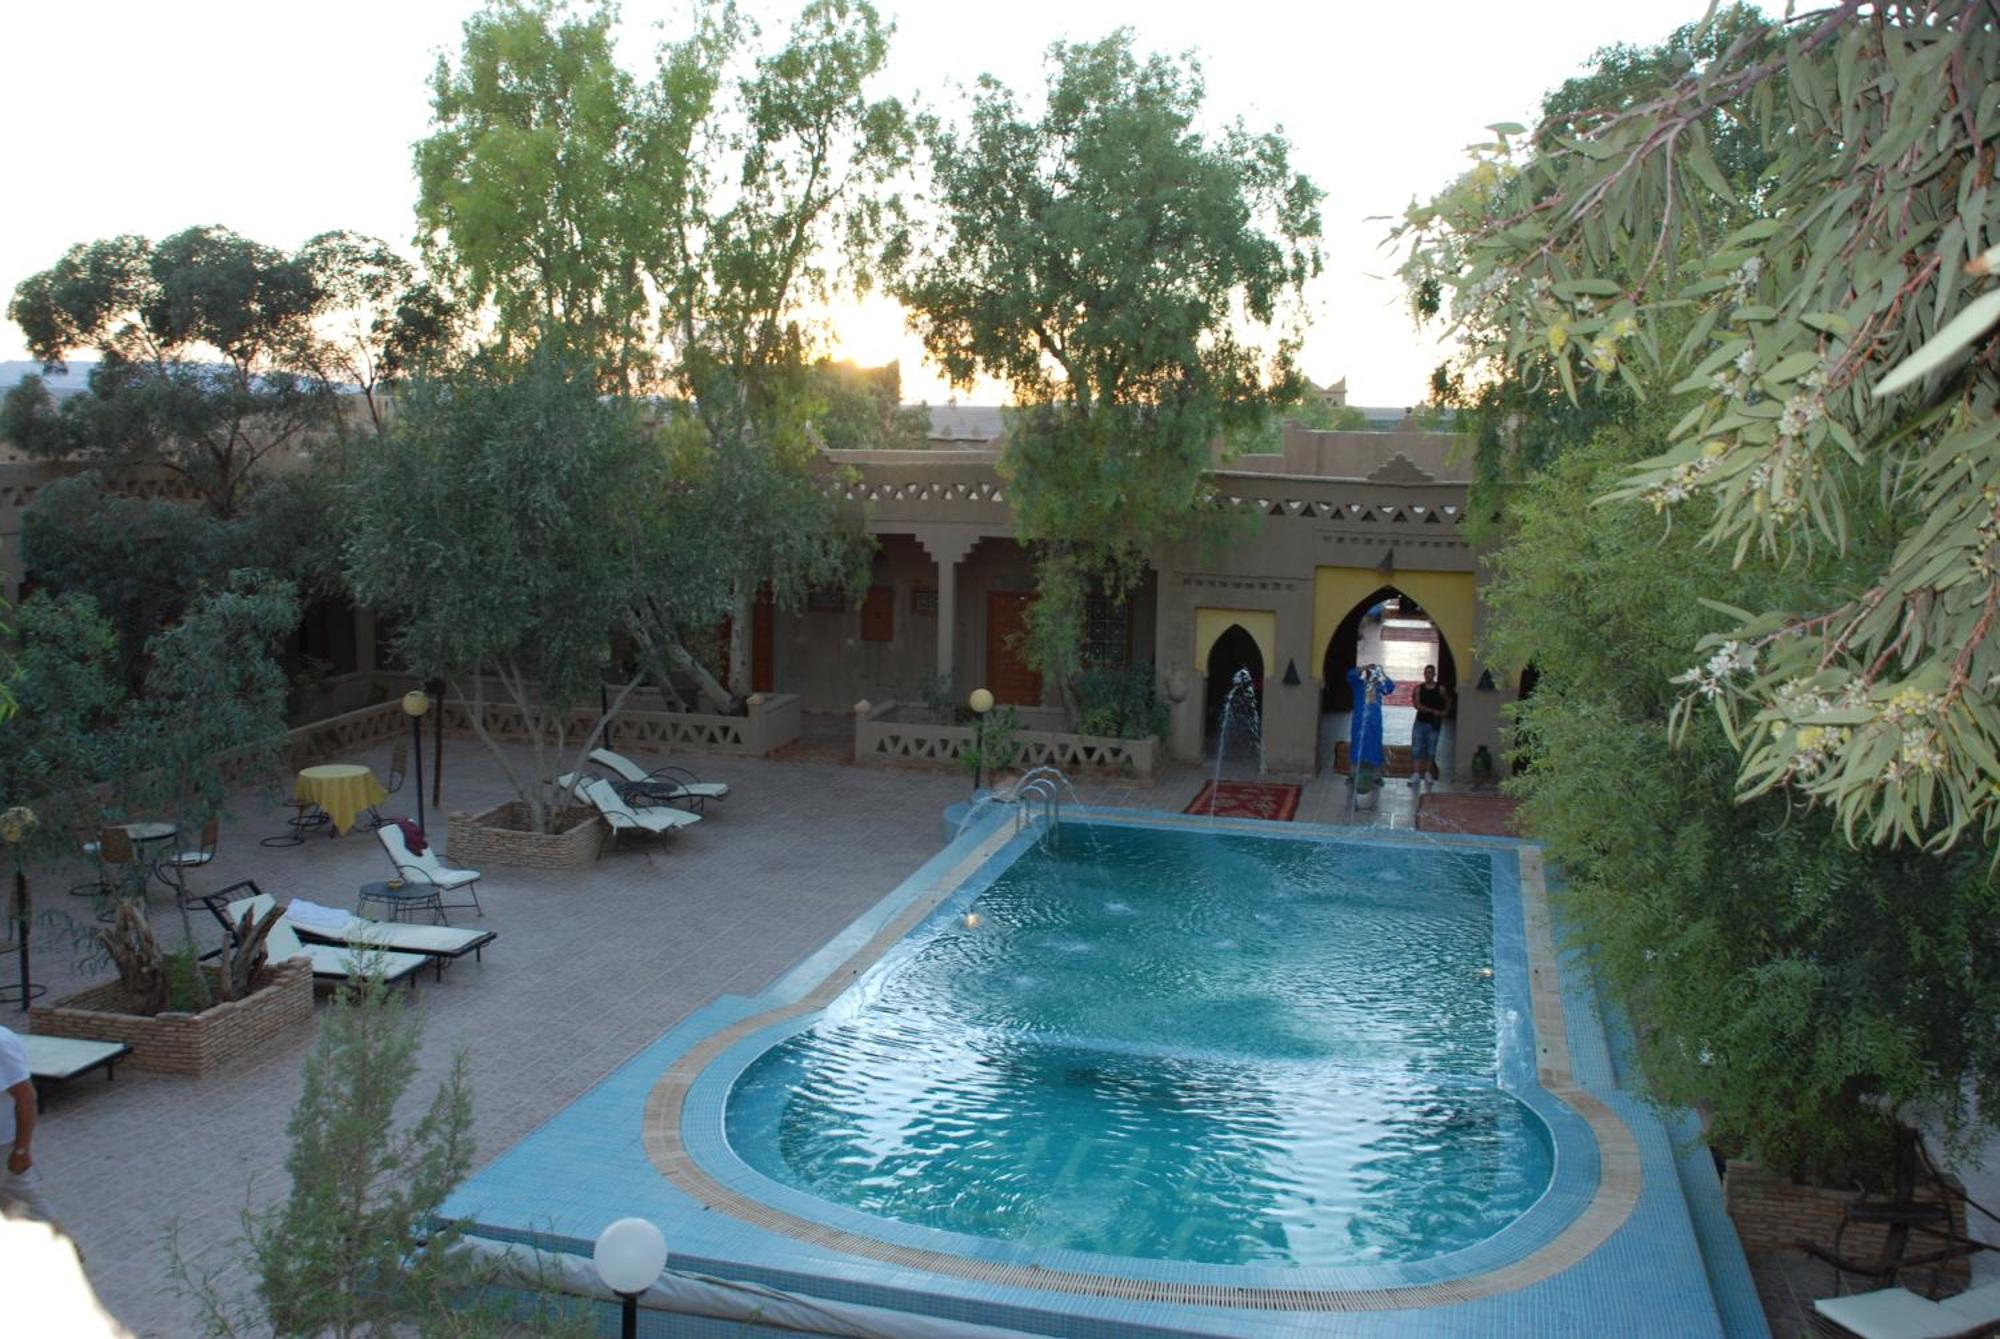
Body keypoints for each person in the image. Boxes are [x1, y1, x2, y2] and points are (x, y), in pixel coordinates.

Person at [1, 1024, 57, 1227]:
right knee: (25, 1200)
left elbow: (26, 1097)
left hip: (3, 1145)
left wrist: (22, 1150)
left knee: (25, 1201)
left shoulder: (2, 1043)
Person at [1345, 662, 1395, 794]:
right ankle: (1352, 775)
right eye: (1369, 673)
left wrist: (1381, 673)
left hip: (1374, 723)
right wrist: (1362, 668)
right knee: (1357, 747)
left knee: (1375, 748)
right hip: (1360, 722)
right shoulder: (1358, 685)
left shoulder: (1378, 687)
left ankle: (1377, 776)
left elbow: (1390, 687)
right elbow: (1349, 675)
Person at [1410, 664, 1453, 789]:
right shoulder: (1419, 689)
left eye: (1430, 672)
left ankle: (1428, 773)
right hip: (1420, 723)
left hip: (1434, 724)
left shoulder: (1441, 689)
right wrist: (1433, 711)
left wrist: (1445, 711)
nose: (1428, 675)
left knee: (1431, 749)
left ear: (1434, 674)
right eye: (1426, 672)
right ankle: (1416, 773)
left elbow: (1448, 700)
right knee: (1416, 747)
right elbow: (1417, 704)